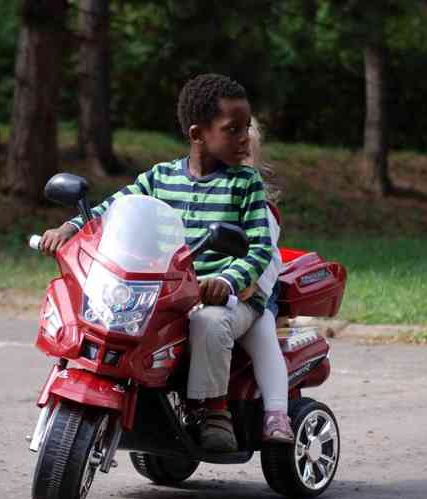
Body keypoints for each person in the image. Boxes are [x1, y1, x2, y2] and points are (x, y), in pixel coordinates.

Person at [39, 73, 272, 452]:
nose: (246, 137)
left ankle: (212, 409)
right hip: (167, 292)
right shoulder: (159, 177)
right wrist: (71, 226)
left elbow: (260, 248)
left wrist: (227, 280)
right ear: (198, 134)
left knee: (208, 322)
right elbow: (111, 210)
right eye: (234, 129)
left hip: (225, 298)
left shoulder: (246, 184)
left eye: (246, 127)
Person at [236, 118, 294, 443]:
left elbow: (266, 261)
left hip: (253, 294)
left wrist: (252, 289)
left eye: (243, 158)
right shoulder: (199, 199)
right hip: (197, 288)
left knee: (261, 334)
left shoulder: (261, 210)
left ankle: (276, 413)